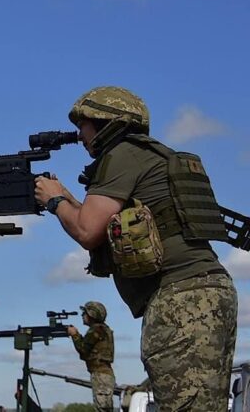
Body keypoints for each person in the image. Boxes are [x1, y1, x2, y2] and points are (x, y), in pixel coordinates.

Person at [34, 86, 237, 411]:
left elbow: (87, 231)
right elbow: (98, 223)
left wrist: (55, 200)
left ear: (104, 122)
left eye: (83, 124)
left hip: (180, 300)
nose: (79, 134)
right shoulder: (150, 154)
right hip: (207, 291)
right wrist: (68, 199)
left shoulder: (120, 155)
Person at [67, 301, 115, 412]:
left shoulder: (97, 329)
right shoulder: (101, 329)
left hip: (101, 376)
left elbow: (83, 349)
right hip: (102, 375)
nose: (82, 316)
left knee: (103, 409)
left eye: (85, 313)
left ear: (92, 315)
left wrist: (75, 335)